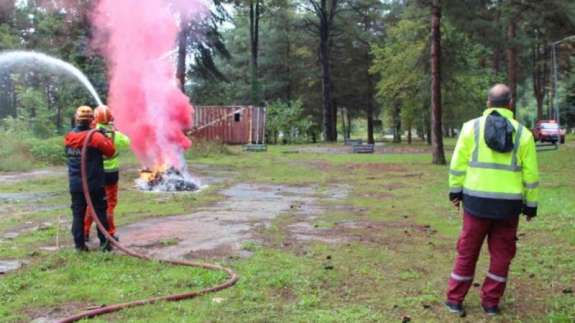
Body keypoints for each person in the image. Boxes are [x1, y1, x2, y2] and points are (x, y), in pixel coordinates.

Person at [445, 84, 539, 316]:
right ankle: (490, 304)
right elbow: (531, 175)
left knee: (467, 251)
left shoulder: (470, 128)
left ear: (488, 103)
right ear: (510, 104)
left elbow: (457, 165)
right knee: (501, 255)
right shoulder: (524, 134)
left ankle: (454, 300)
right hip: (508, 207)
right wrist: (530, 205)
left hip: (476, 204)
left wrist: (455, 192)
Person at [65, 106, 116, 252]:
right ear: (91, 120)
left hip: (75, 183)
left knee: (78, 214)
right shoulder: (96, 137)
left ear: (76, 118)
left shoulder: (69, 137)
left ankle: (79, 246)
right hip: (93, 183)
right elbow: (111, 152)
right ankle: (105, 245)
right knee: (100, 212)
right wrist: (106, 136)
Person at [84, 105, 130, 241]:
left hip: (96, 175)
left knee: (92, 203)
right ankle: (110, 232)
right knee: (109, 204)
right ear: (110, 118)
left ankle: (85, 231)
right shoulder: (115, 134)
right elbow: (128, 142)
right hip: (111, 175)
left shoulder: (92, 133)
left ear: (95, 118)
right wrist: (116, 129)